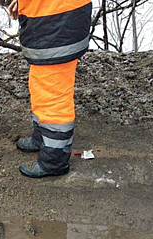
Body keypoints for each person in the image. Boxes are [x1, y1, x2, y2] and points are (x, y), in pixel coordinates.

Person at [8, 0, 92, 178]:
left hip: (56, 21)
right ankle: (42, 138)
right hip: (51, 20)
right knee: (41, 87)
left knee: (53, 97)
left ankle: (54, 162)